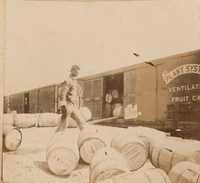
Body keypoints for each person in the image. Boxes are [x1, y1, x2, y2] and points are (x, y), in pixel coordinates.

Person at [56, 65, 87, 132]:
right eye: (76, 71)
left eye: (78, 71)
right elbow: (63, 93)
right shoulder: (68, 80)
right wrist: (63, 105)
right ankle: (56, 139)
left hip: (73, 106)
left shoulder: (74, 81)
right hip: (67, 105)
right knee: (63, 125)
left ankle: (86, 137)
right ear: (72, 71)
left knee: (81, 122)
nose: (77, 73)